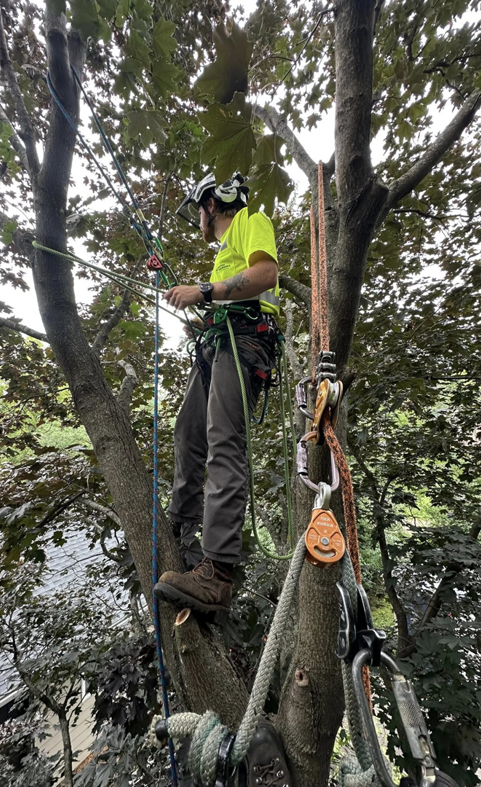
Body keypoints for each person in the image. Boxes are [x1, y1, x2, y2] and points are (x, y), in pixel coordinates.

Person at [153, 172, 281, 618]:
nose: (198, 222)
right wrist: (195, 297)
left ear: (212, 203)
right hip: (217, 342)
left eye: (199, 210)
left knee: (223, 441)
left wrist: (204, 291)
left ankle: (218, 573)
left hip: (243, 342)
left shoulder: (250, 221)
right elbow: (226, 293)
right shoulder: (224, 254)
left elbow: (266, 274)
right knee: (188, 432)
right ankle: (182, 531)